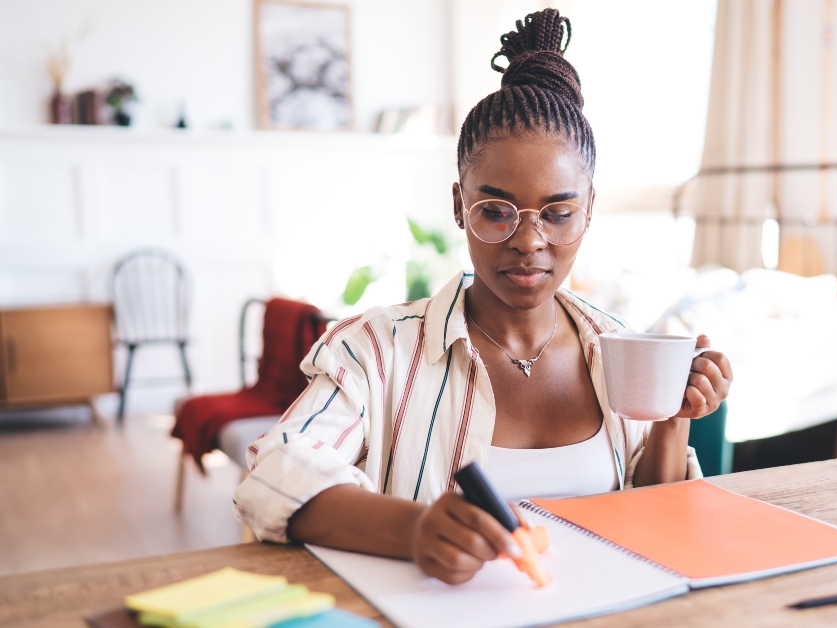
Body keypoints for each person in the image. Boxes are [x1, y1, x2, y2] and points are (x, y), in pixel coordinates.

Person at [233, 8, 733, 585]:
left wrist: (673, 418)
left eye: (558, 213)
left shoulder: (614, 346)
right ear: (457, 205)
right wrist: (414, 530)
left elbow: (655, 524)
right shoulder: (376, 349)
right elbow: (272, 474)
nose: (528, 241)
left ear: (589, 210)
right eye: (495, 211)